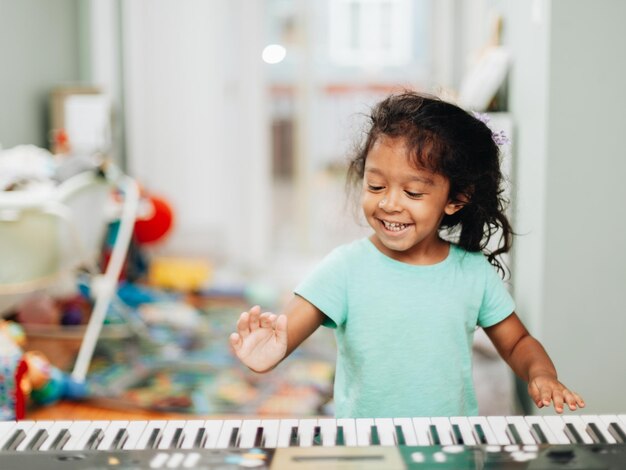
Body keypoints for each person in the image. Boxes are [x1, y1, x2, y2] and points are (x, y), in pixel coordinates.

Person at [229, 91, 585, 418]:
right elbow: (289, 327)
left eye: (413, 192)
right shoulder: (345, 268)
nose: (388, 203)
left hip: (450, 450)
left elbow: (518, 341)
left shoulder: (472, 273)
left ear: (455, 199)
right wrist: (270, 350)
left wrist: (541, 374)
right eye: (376, 185)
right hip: (368, 452)